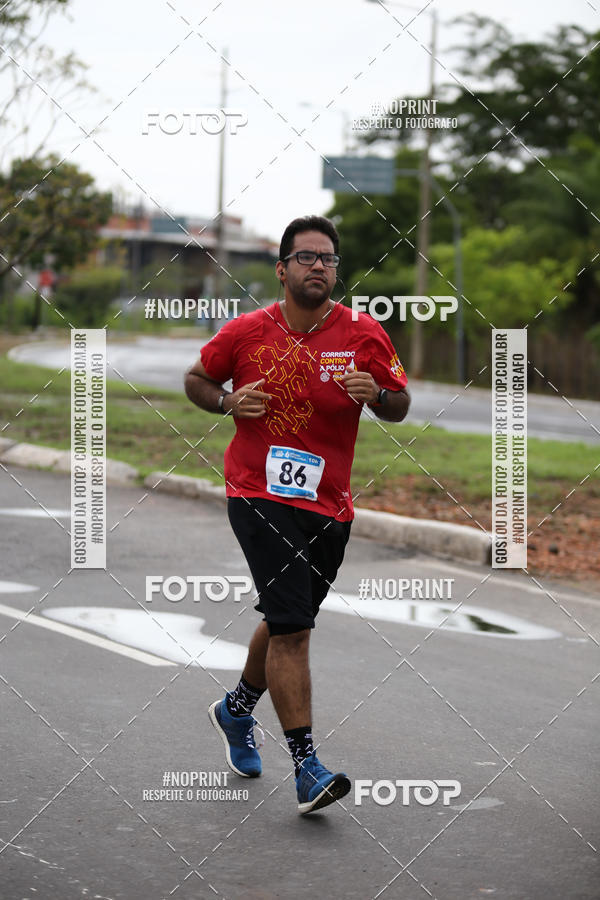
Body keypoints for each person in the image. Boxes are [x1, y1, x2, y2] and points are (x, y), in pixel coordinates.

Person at [184, 215, 410, 814]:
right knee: (295, 628)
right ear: (282, 270)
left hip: (329, 504)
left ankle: (235, 711)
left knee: (290, 615)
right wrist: (228, 400)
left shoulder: (364, 333)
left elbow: (401, 404)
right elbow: (197, 379)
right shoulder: (246, 332)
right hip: (257, 492)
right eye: (307, 257)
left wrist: (379, 398)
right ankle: (307, 767)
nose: (319, 266)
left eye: (329, 259)